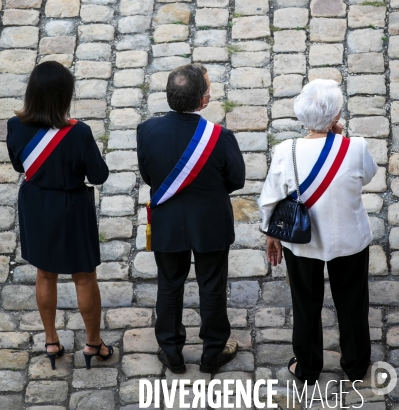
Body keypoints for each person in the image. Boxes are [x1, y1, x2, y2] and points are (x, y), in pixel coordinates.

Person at [258, 79, 378, 385]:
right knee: (352, 304)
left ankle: (309, 367)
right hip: (349, 241)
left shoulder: (287, 150)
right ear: (336, 116)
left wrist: (271, 235)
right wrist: (341, 138)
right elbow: (367, 175)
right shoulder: (356, 147)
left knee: (306, 304)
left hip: (302, 242)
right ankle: (355, 365)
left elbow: (270, 197)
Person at [137, 63, 246, 374]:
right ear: (204, 101)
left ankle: (171, 351)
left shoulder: (147, 131)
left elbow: (148, 175)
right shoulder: (220, 137)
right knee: (212, 285)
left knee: (169, 284)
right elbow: (236, 179)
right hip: (210, 221)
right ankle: (213, 352)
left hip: (168, 221)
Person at [7, 61, 113, 370]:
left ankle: (51, 341)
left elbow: (18, 165)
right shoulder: (79, 132)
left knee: (45, 273)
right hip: (71, 208)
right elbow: (99, 175)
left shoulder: (14, 126)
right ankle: (94, 343)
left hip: (36, 203)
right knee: (84, 277)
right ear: (65, 95)